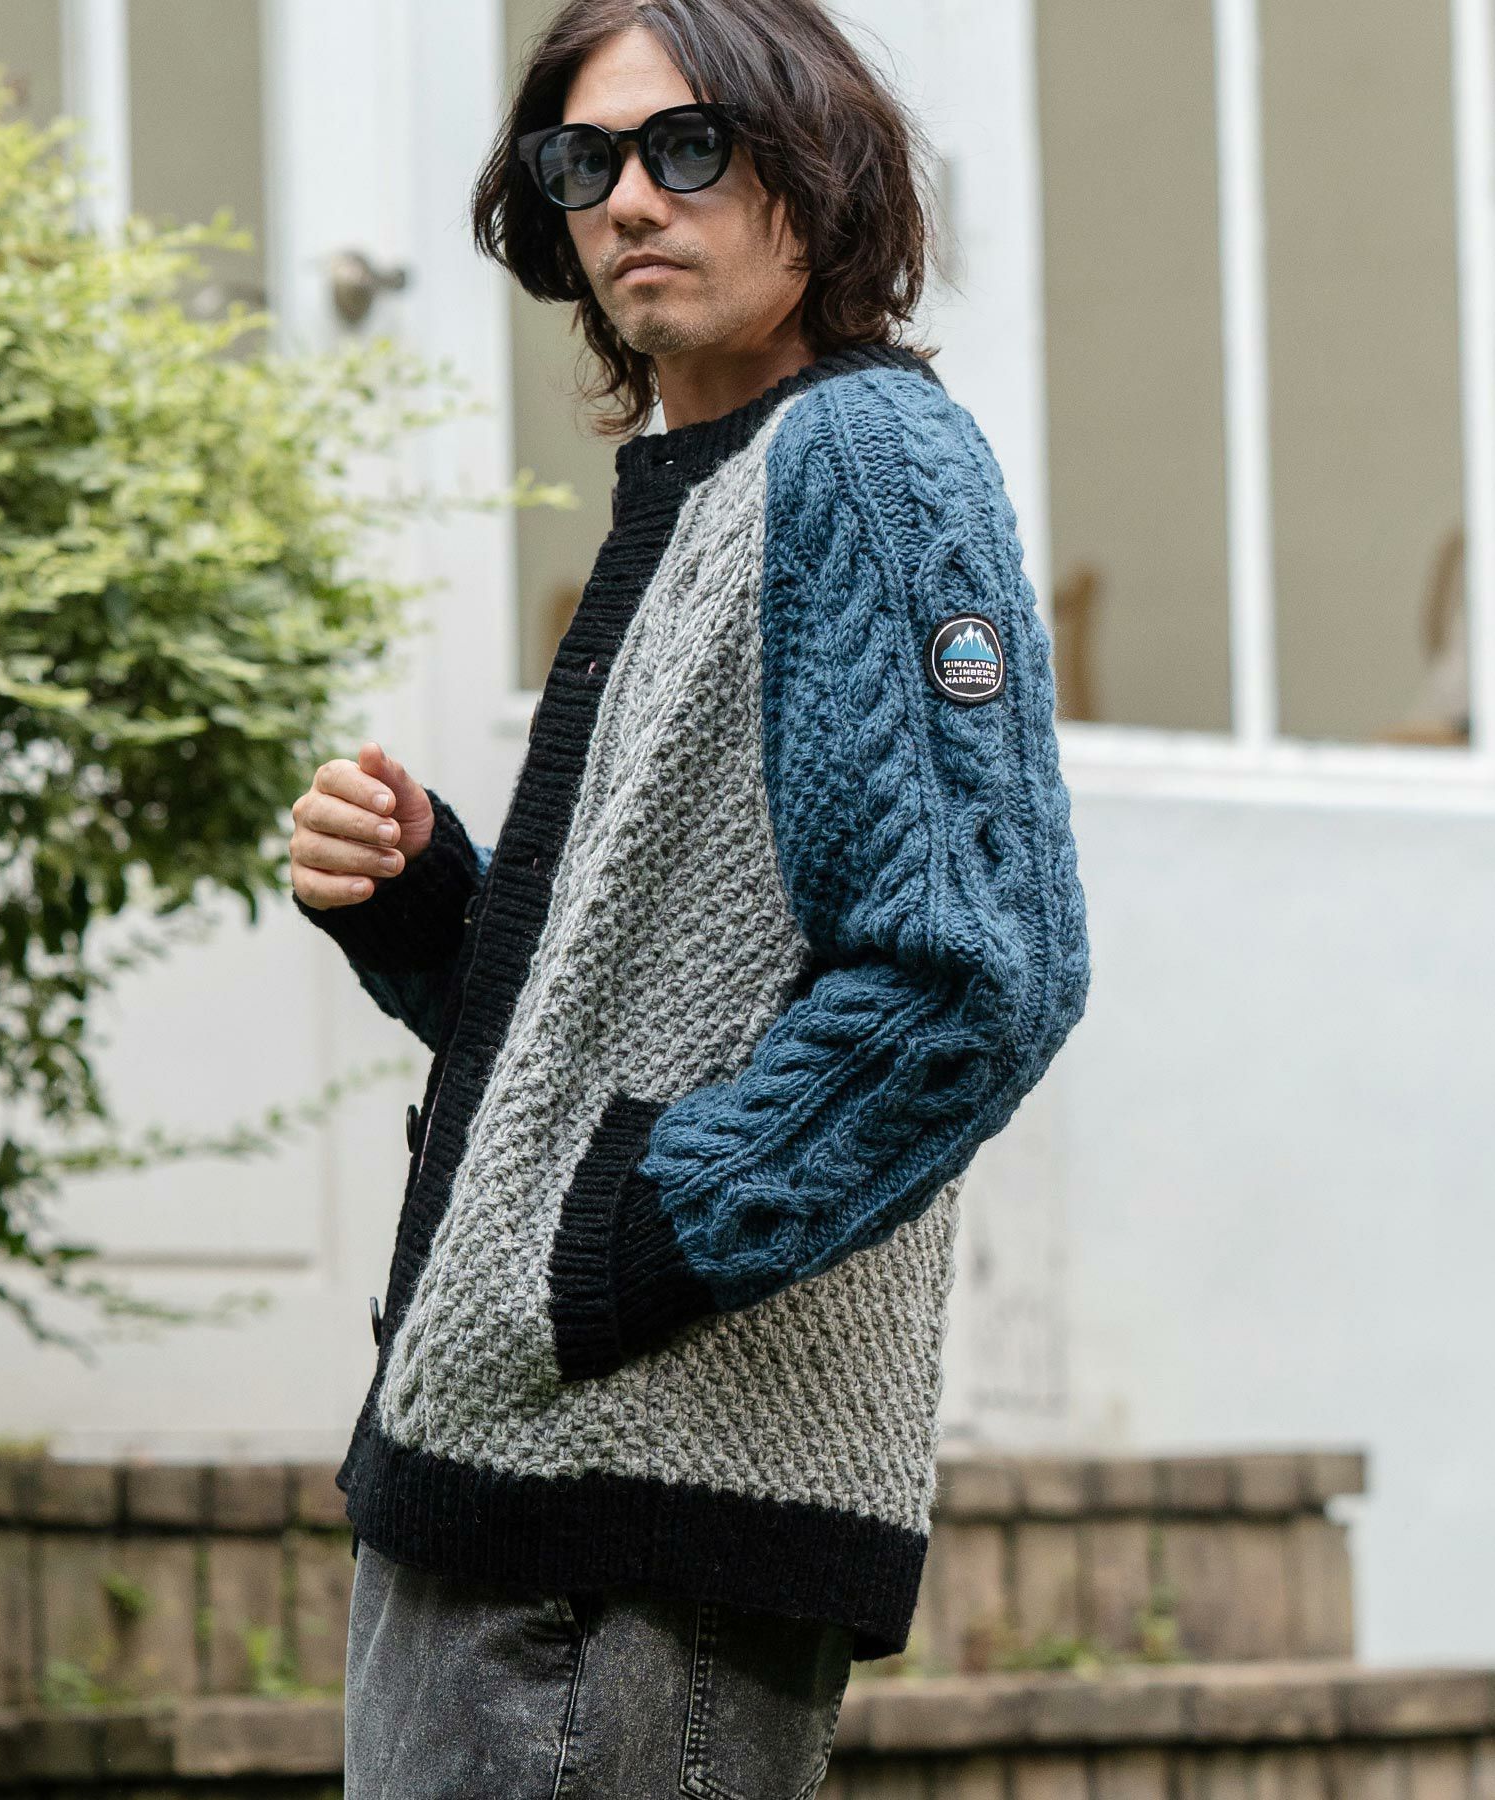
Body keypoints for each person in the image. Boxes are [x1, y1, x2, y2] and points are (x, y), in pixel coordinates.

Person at [287, 1, 1091, 1793]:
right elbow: (627, 1016)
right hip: (507, 1470)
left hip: (640, 1511)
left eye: (690, 145)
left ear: (819, 168)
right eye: (584, 162)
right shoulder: (706, 490)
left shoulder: (862, 462)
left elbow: (978, 976)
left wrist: (619, 1247)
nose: (632, 197)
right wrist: (427, 908)